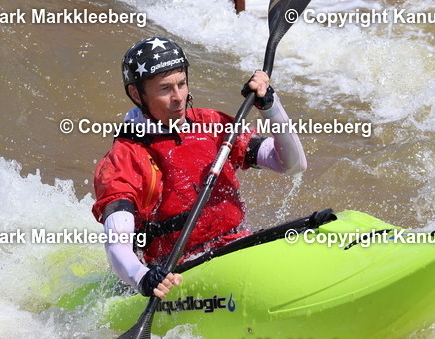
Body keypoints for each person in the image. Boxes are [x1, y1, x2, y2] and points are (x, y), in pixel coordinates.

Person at [92, 37, 307, 299]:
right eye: (164, 89)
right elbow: (117, 242)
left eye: (181, 84)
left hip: (237, 248)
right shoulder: (124, 159)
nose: (178, 98)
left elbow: (293, 164)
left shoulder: (211, 124)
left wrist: (272, 108)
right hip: (180, 274)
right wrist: (143, 278)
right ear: (137, 94)